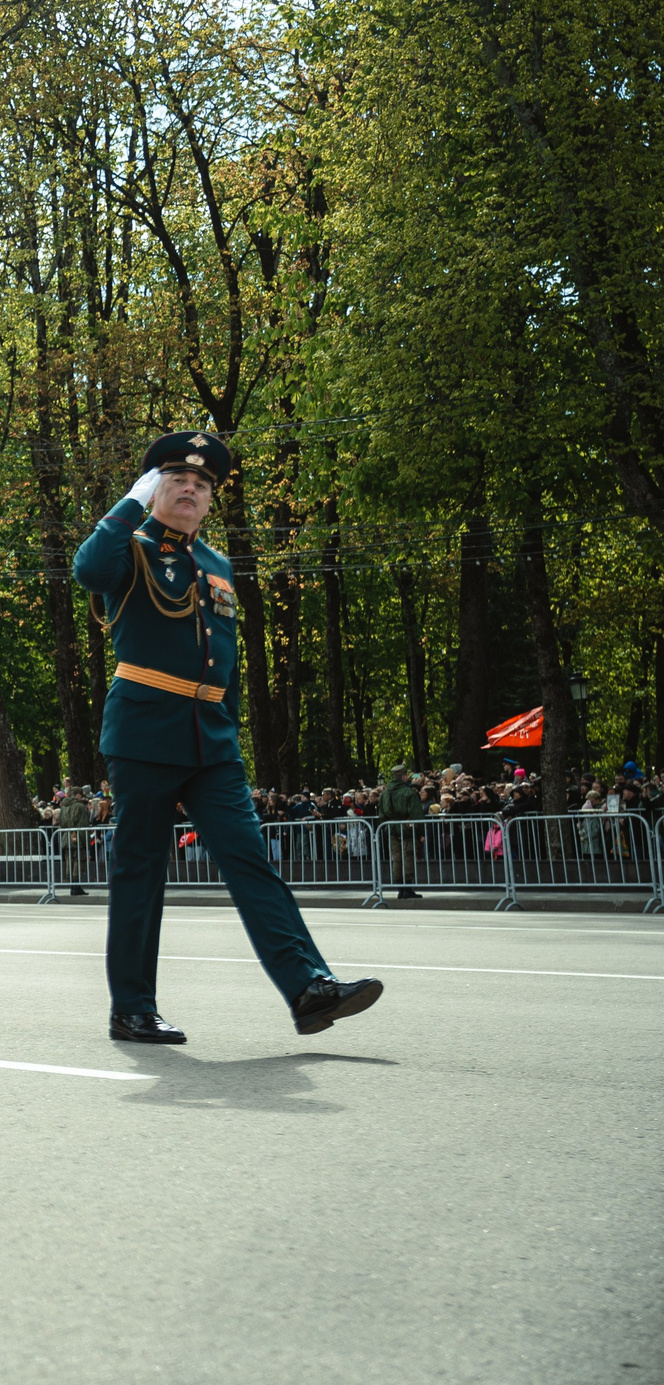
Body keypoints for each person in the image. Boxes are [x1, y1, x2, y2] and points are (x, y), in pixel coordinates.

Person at [73, 431, 382, 1042]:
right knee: (141, 871)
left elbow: (226, 658)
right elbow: (87, 569)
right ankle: (131, 1008)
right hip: (143, 730)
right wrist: (129, 506)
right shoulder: (129, 548)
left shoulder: (216, 564)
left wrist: (229, 728)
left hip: (210, 740)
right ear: (154, 488)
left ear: (212, 499)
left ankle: (307, 988)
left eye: (203, 484)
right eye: (178, 480)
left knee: (249, 857)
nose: (191, 488)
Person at [375, 763, 426, 900]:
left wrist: (385, 828)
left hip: (391, 828)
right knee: (407, 856)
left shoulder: (384, 794)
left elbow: (381, 815)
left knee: (396, 859)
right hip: (406, 828)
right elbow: (417, 814)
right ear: (403, 777)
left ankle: (400, 889)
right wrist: (421, 832)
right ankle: (407, 888)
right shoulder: (409, 792)